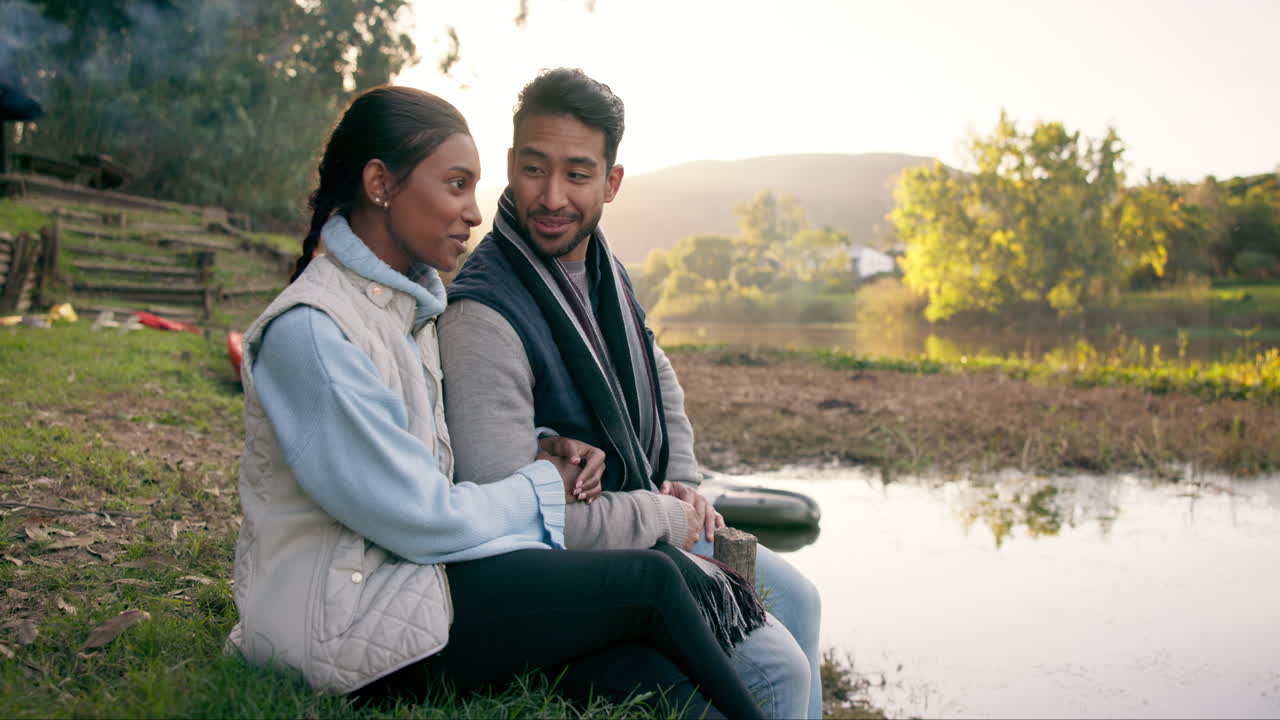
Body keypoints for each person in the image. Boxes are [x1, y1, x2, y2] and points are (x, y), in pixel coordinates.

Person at [226, 84, 767, 720]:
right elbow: (420, 517)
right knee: (651, 582)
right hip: (337, 623)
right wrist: (543, 483)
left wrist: (541, 442)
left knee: (651, 676)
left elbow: (414, 459)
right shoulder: (314, 333)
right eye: (457, 185)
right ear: (380, 184)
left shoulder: (406, 312)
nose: (475, 213)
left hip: (415, 580)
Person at [439, 68, 825, 719]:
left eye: (578, 174)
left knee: (801, 599)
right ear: (509, 164)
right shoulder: (483, 315)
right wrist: (666, 517)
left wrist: (683, 484)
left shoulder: (600, 268)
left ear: (612, 182)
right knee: (778, 673)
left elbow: (658, 372)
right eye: (534, 169)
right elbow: (511, 516)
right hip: (578, 568)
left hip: (648, 519)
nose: (551, 196)